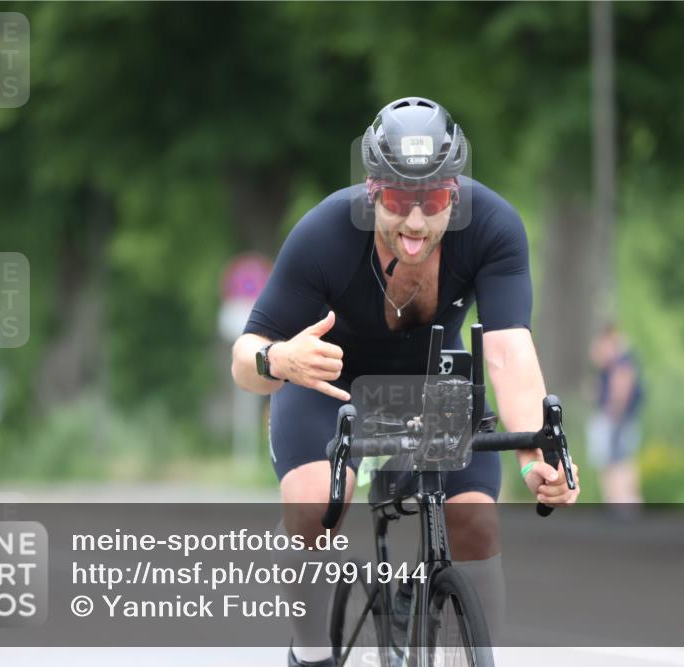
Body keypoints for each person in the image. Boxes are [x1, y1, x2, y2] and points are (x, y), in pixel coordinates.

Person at [231, 96, 580, 667]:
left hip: (435, 390)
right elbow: (244, 358)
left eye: (434, 200)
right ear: (372, 192)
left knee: (475, 523)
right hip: (332, 388)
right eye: (397, 200)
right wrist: (280, 360)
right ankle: (311, 652)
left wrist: (535, 455)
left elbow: (509, 353)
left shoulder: (494, 228)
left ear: (455, 193)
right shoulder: (323, 233)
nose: (415, 222)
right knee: (312, 504)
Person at [587, 323, 645, 507]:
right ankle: (619, 500)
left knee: (618, 461)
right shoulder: (619, 361)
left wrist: (614, 411)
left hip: (616, 417)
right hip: (619, 417)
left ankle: (621, 500)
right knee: (617, 459)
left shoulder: (621, 362)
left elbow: (620, 388)